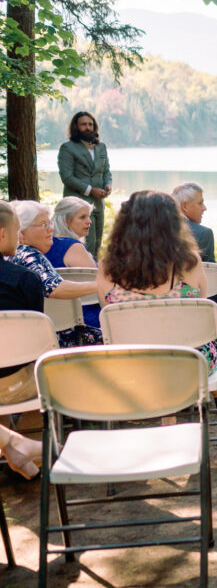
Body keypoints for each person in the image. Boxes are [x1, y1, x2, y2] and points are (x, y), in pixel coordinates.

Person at [97, 191, 217, 385]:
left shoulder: (107, 266)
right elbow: (201, 315)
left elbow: (107, 314)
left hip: (129, 364)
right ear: (173, 223)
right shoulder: (190, 262)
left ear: (125, 223)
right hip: (188, 362)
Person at [8, 201, 101, 347]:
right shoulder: (28, 254)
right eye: (44, 225)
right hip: (49, 338)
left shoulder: (11, 255)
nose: (51, 229)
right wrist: (100, 285)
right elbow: (53, 287)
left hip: (23, 334)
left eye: (50, 223)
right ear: (22, 232)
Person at [0, 201, 47, 479]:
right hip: (18, 386)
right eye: (17, 231)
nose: (19, 237)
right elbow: (35, 346)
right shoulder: (25, 279)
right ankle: (22, 445)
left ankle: (12, 448)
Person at [57, 111, 111, 257]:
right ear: (76, 127)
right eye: (83, 124)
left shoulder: (101, 147)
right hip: (78, 205)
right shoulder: (67, 148)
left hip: (98, 203)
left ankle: (94, 275)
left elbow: (106, 171)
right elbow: (67, 177)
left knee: (97, 245)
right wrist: (90, 190)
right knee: (85, 246)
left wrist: (108, 185)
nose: (88, 127)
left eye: (90, 124)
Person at [172, 182, 215, 263]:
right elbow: (210, 273)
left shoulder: (157, 228)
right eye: (200, 203)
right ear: (185, 206)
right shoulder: (204, 233)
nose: (204, 208)